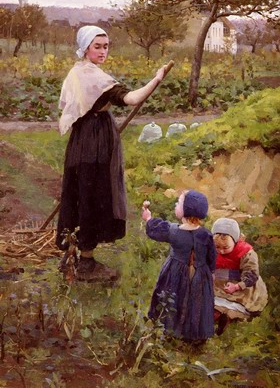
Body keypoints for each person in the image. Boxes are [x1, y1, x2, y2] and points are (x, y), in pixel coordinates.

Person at [56, 25, 166, 282]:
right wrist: (156, 79)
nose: (103, 51)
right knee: (92, 195)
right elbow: (131, 98)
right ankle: (86, 262)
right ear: (85, 48)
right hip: (95, 143)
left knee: (79, 192)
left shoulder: (77, 72)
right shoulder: (94, 78)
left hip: (81, 139)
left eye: (106, 46)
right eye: (98, 46)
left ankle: (71, 253)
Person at [141, 190, 216, 343]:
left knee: (174, 297)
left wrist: (148, 218)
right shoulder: (206, 234)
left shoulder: (173, 231)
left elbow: (155, 230)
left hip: (175, 271)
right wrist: (211, 271)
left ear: (186, 210)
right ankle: (194, 333)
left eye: (179, 203)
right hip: (200, 274)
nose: (176, 204)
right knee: (196, 302)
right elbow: (211, 255)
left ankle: (171, 329)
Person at [212, 218, 268, 335]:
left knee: (238, 304)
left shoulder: (245, 252)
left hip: (242, 287)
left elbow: (251, 274)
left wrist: (237, 286)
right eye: (217, 247)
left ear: (235, 240)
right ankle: (218, 316)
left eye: (225, 248)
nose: (221, 251)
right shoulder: (212, 249)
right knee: (211, 304)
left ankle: (231, 316)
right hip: (220, 283)